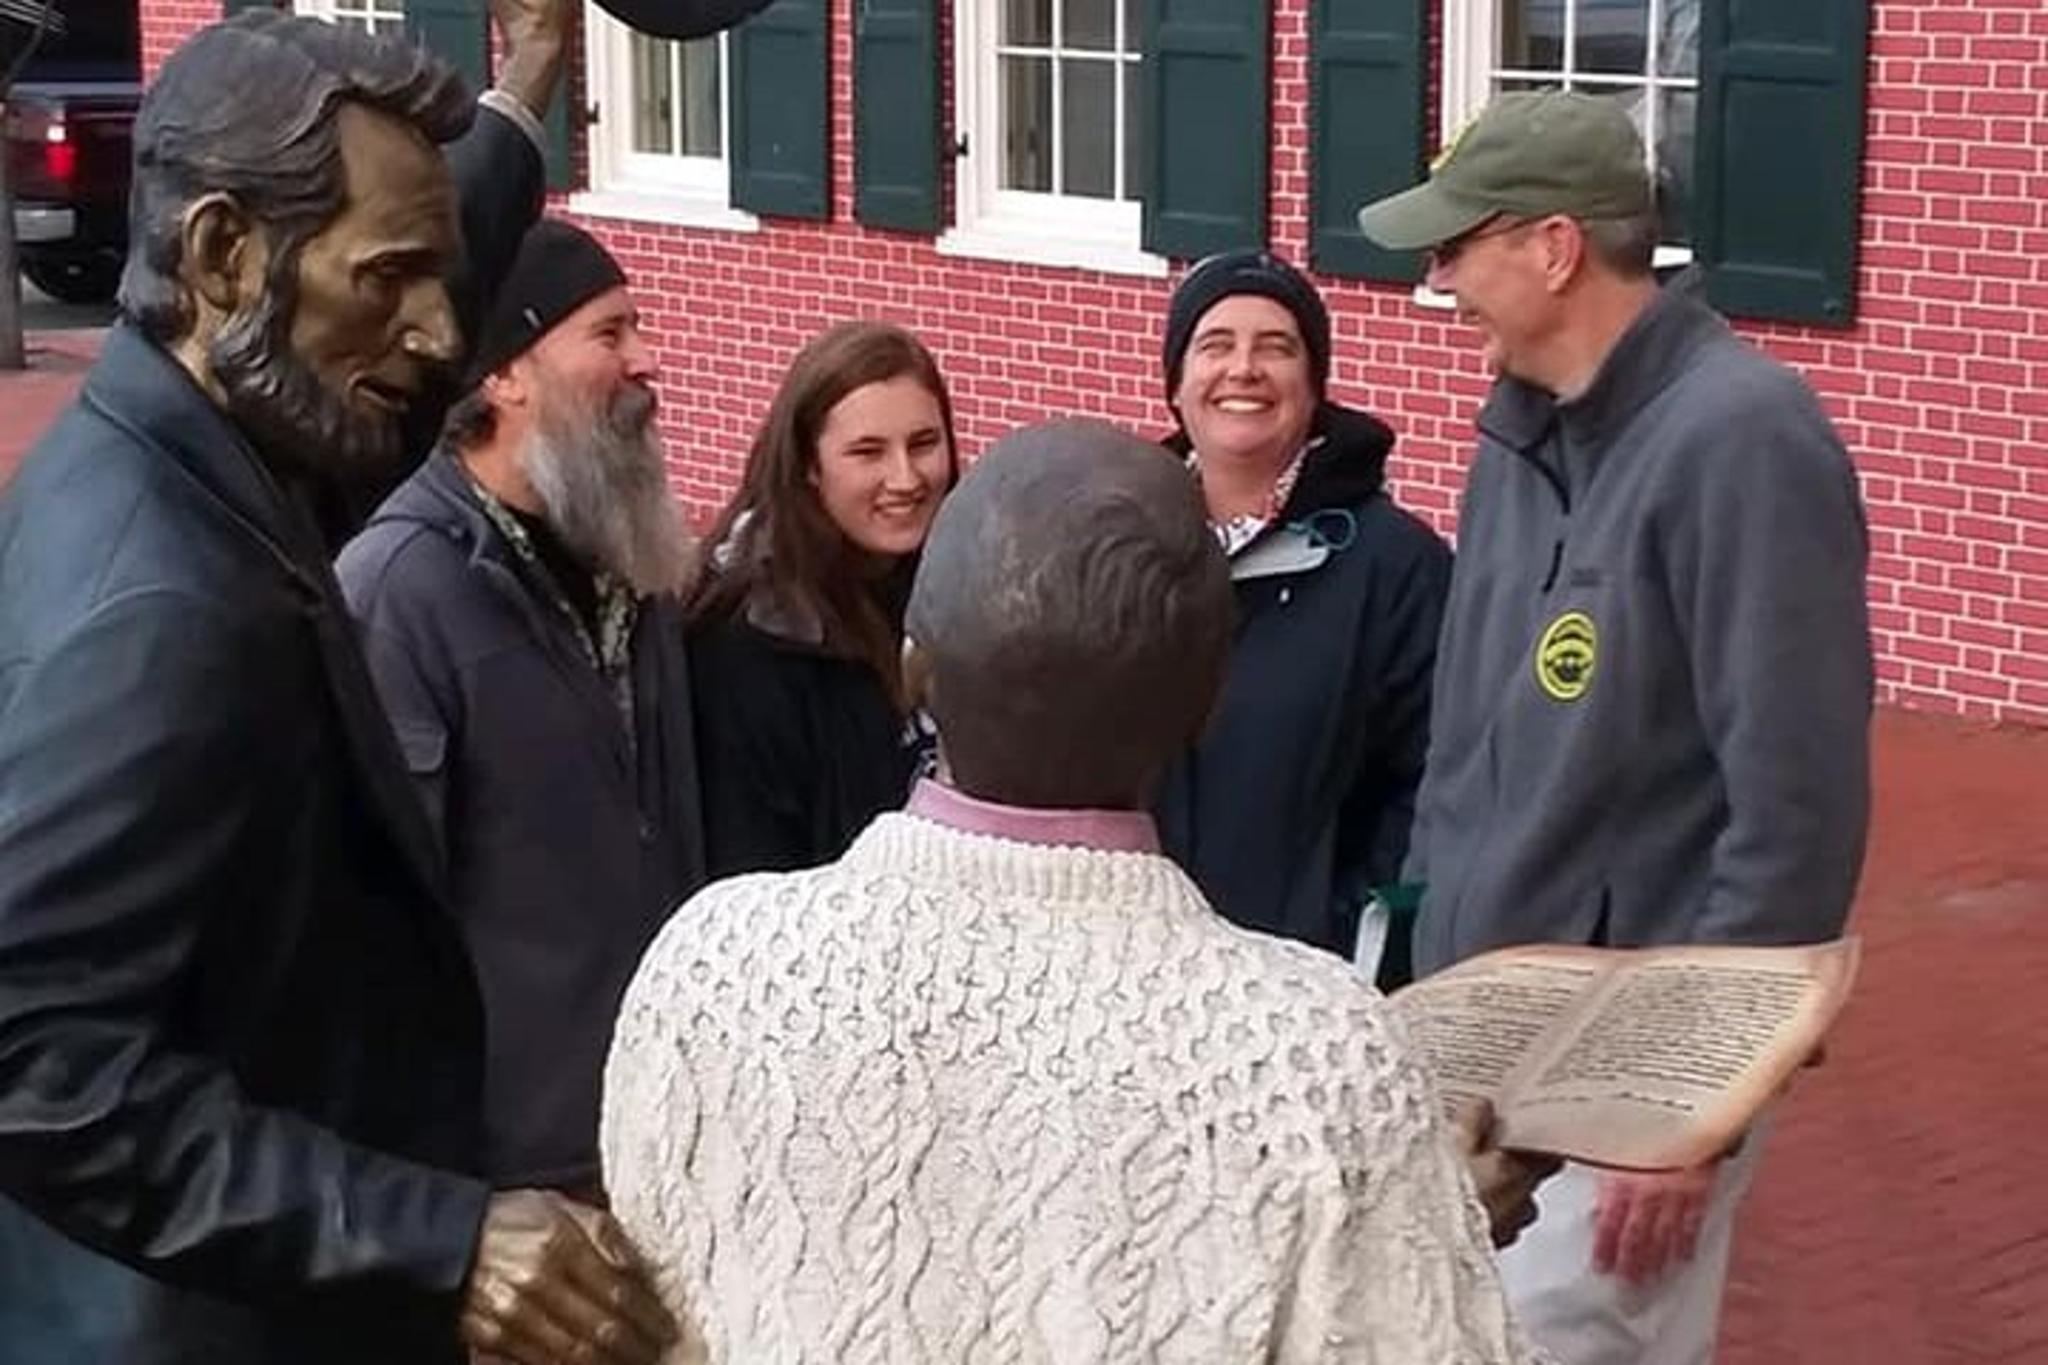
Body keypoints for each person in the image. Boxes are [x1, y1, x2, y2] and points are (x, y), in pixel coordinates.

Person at [0, 5, 793, 1359]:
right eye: (393, 279)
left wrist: (525, 88)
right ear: (224, 253)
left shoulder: (204, 428)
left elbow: (410, 284)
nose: (440, 337)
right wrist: (441, 1242)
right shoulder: (166, 613)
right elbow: (30, 1056)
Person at [601, 419, 1545, 1363]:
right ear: (1205, 703)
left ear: (915, 665)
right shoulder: (1319, 1056)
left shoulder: (712, 965)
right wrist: (1422, 1236)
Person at [1358, 90, 1873, 1365]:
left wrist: (1686, 1111)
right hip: (1485, 1047)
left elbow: (1794, 810)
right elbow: (1467, 749)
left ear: (1552, 248)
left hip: (1618, 1086)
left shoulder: (1741, 439)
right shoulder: (1514, 435)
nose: (1437, 283)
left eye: (1455, 246)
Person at [337, 219, 705, 1206]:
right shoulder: (399, 590)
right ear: (504, 373)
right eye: (610, 333)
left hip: (653, 1125)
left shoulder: (635, 557)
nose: (646, 360)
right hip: (504, 1166)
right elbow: (373, 922)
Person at [1152, 249, 1452, 961]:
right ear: (1177, 385)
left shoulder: (1398, 567)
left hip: (1304, 980)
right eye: (1215, 345)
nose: (1243, 368)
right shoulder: (1122, 546)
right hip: (1135, 972)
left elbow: (1435, 781)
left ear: (1315, 385)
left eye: (1276, 347)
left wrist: (1340, 930)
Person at [687, 320, 957, 876]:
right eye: (868, 452)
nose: (905, 478)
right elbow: (751, 870)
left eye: (924, 444)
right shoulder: (747, 644)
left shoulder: (962, 586)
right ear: (809, 465)